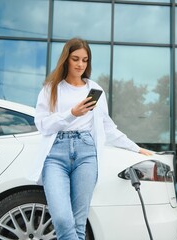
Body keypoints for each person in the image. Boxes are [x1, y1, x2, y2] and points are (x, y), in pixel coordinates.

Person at [34, 38, 152, 240]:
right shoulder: (51, 88)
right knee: (62, 219)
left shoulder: (94, 89)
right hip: (55, 154)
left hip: (86, 154)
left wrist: (135, 148)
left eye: (85, 60)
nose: (80, 64)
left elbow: (108, 127)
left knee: (79, 223)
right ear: (66, 60)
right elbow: (42, 125)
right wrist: (72, 113)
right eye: (75, 59)